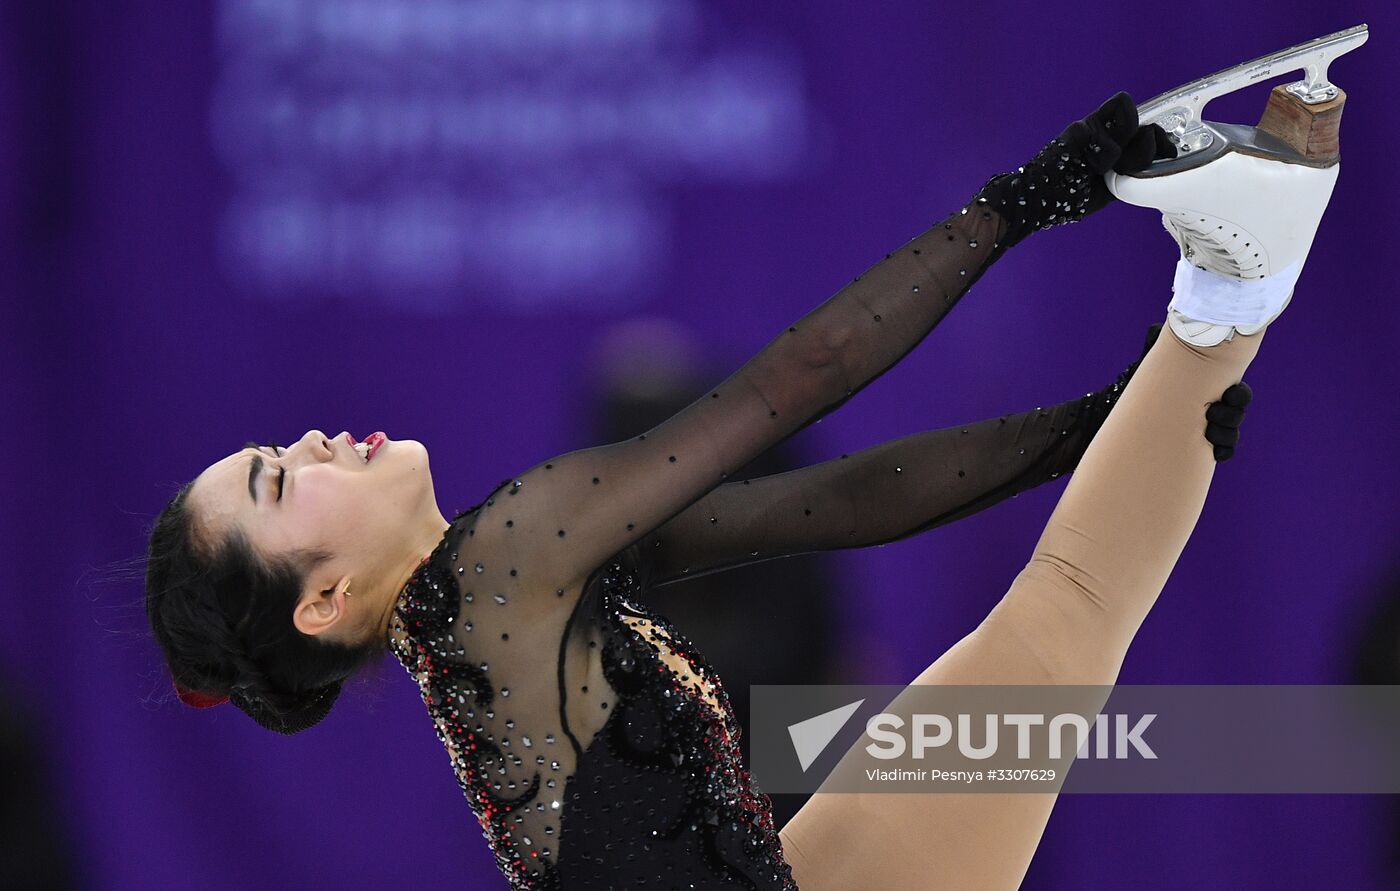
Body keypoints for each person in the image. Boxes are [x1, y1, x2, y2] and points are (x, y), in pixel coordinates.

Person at [145, 93, 1255, 888]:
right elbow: (799, 381)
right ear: (322, 600)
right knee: (1065, 601)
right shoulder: (499, 566)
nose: (311, 441)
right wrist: (1021, 201)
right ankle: (1236, 282)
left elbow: (829, 502)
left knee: (1049, 620)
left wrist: (1097, 428)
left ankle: (1223, 299)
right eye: (277, 481)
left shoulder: (489, 605)